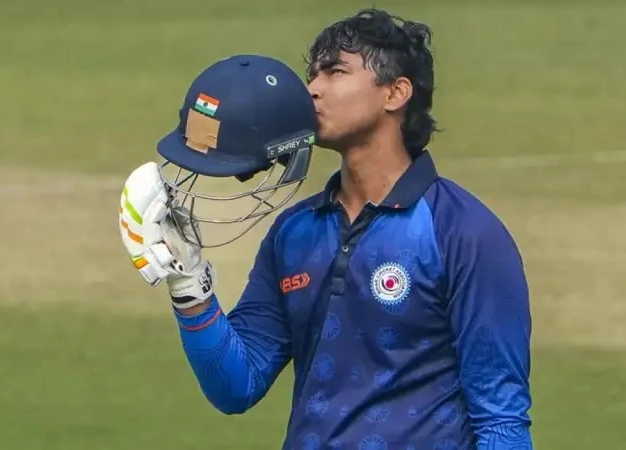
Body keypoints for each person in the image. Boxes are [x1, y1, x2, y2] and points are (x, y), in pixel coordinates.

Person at [118, 8, 534, 450]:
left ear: (396, 93)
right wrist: (189, 289)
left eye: (336, 72)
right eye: (312, 74)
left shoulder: (463, 233)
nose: (312, 89)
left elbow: (501, 420)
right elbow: (236, 386)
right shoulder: (294, 234)